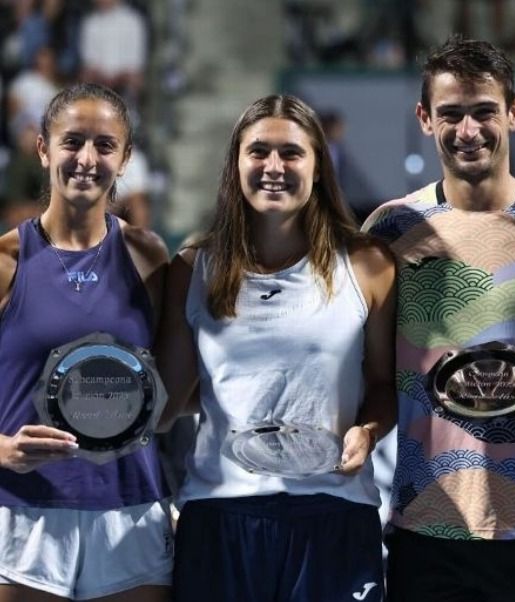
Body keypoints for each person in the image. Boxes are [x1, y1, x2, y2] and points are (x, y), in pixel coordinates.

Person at [363, 35, 515, 601]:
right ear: (425, 118)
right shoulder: (389, 231)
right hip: (427, 526)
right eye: (451, 114)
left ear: (514, 112)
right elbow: (367, 374)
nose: (468, 131)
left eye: (484, 111)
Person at [155, 94, 396, 602]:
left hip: (334, 510)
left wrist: (369, 432)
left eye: (291, 154)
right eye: (258, 151)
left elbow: (383, 385)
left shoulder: (368, 264)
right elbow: (166, 402)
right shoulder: (194, 268)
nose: (273, 167)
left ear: (317, 165)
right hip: (221, 515)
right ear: (236, 163)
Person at [0, 83, 171, 601]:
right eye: (72, 141)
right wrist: (2, 449)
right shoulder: (5, 259)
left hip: (131, 508)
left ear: (125, 160)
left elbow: (171, 384)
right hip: (24, 512)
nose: (87, 159)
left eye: (105, 145)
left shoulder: (149, 255)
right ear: (43, 148)